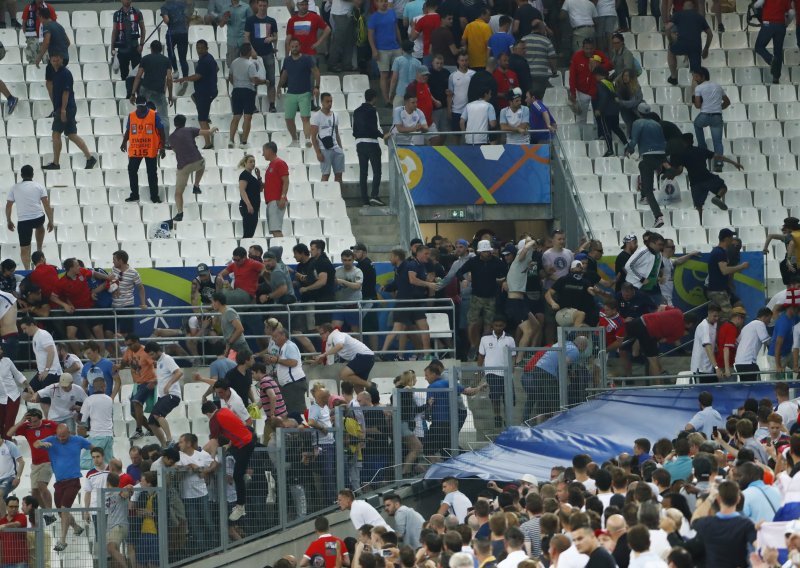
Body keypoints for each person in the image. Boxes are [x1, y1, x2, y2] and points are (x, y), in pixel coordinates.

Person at [34, 424, 91, 552]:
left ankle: (62, 541)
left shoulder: (78, 440)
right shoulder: (52, 440)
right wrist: (42, 444)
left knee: (64, 509)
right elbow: (36, 443)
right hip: (59, 482)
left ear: (69, 432)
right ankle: (76, 527)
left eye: (64, 436)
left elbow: (93, 447)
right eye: (59, 436)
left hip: (73, 480)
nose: (61, 439)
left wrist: (96, 457)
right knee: (60, 512)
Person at [41, 53, 97, 171]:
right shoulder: (55, 73)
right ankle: (90, 158)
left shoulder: (65, 73)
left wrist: (62, 110)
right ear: (50, 60)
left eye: (57, 59)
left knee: (56, 134)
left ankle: (56, 163)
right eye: (53, 59)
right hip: (67, 108)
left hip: (66, 108)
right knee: (71, 135)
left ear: (61, 59)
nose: (55, 62)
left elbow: (66, 92)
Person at [201, 400, 255, 522]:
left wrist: (212, 458)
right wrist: (230, 445)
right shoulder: (225, 410)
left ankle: (240, 506)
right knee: (236, 464)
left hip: (244, 444)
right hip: (248, 440)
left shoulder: (214, 419)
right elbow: (237, 427)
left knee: (237, 475)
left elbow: (214, 441)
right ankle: (244, 475)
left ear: (208, 413)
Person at [686, 481, 756, 566]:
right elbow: (758, 545)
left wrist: (711, 497)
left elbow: (694, 519)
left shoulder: (707, 523)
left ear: (718, 499)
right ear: (738, 499)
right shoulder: (746, 524)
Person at [625, 103, 666, 228]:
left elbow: (634, 140)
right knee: (643, 166)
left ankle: (658, 216)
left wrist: (629, 149)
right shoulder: (657, 124)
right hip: (661, 155)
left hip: (648, 154)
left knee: (648, 188)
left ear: (638, 112)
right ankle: (643, 196)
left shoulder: (638, 123)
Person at [8, 409, 57, 514]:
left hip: (48, 461)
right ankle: (47, 514)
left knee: (41, 485)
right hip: (35, 463)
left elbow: (63, 435)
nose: (33, 424)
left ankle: (49, 511)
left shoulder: (50, 424)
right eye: (30, 421)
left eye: (35, 421)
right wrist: (22, 421)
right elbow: (9, 433)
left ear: (41, 418)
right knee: (34, 491)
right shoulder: (26, 426)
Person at [168, 115, 217, 221]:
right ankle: (196, 185)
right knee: (203, 163)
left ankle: (180, 213)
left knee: (178, 192)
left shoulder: (171, 137)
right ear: (184, 122)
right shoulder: (190, 130)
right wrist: (213, 128)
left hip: (183, 166)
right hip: (196, 161)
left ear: (175, 124)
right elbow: (208, 132)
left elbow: (174, 149)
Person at [5, 164, 54, 270]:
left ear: (21, 175)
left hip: (24, 221)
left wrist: (9, 220)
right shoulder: (39, 186)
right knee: (40, 226)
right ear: (32, 174)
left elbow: (8, 206)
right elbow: (46, 205)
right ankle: (39, 249)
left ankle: (27, 269)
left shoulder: (14, 187)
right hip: (38, 218)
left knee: (24, 248)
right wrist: (51, 221)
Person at [121, 96, 167, 204]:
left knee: (151, 173)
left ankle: (154, 196)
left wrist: (162, 147)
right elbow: (129, 130)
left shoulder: (154, 115)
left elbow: (161, 131)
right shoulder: (131, 116)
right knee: (132, 170)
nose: (140, 109)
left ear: (145, 105)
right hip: (136, 148)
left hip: (150, 148)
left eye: (142, 106)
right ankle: (134, 194)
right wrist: (124, 142)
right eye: (138, 107)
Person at [175, 40, 219, 149]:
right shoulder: (209, 58)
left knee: (201, 120)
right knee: (193, 96)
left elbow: (197, 76)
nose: (199, 50)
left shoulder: (204, 61)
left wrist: (184, 79)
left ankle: (208, 143)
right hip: (208, 91)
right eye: (198, 48)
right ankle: (206, 116)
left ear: (206, 48)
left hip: (205, 92)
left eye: (201, 48)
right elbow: (217, 68)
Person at [278, 38, 320, 146]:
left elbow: (316, 72)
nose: (294, 48)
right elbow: (284, 75)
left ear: (300, 47)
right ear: (289, 48)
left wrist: (317, 86)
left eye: (296, 46)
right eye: (292, 47)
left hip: (305, 93)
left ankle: (307, 139)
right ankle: (294, 140)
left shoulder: (307, 59)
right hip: (291, 93)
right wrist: (279, 86)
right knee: (288, 118)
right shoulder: (287, 60)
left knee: (305, 117)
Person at [19, 317, 63, 418]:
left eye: (25, 328)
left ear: (32, 324)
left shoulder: (43, 335)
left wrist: (46, 370)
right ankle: (52, 404)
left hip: (51, 372)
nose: (24, 331)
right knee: (26, 394)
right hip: (42, 372)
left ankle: (49, 422)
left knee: (44, 403)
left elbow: (51, 352)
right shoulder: (35, 337)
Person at [478, 316, 516, 427]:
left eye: (501, 325)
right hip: (491, 372)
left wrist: (512, 367)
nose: (498, 327)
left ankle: (507, 418)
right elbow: (481, 355)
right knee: (495, 396)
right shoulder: (485, 339)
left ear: (504, 326)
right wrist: (479, 371)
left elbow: (513, 356)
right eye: (496, 325)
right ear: (492, 326)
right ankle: (497, 416)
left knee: (508, 398)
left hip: (506, 373)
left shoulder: (510, 339)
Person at [143, 341, 183, 448]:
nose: (151, 357)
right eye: (149, 355)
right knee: (151, 422)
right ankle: (164, 445)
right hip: (163, 397)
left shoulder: (167, 359)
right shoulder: (159, 362)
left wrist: (168, 385)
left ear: (158, 351)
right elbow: (165, 377)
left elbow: (179, 372)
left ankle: (170, 440)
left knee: (157, 414)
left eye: (152, 354)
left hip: (172, 395)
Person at [228, 43, 266, 149]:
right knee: (247, 117)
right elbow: (254, 80)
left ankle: (231, 140)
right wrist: (264, 81)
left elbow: (230, 77)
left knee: (236, 116)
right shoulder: (250, 64)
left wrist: (236, 84)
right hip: (248, 91)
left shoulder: (234, 62)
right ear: (249, 52)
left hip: (236, 90)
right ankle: (243, 142)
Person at [692, 67, 730, 173]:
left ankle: (702, 148)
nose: (695, 78)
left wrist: (695, 101)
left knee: (697, 124)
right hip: (717, 116)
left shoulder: (699, 88)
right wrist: (718, 108)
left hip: (704, 115)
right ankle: (718, 164)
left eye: (696, 76)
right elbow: (727, 102)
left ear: (703, 76)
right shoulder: (718, 86)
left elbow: (698, 105)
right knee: (717, 142)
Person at [666, 0, 712, 86]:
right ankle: (695, 96)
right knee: (696, 74)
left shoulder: (677, 15)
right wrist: (706, 49)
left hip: (681, 44)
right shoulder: (699, 17)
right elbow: (710, 34)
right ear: (694, 7)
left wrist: (670, 40)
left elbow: (667, 28)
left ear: (683, 7)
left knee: (670, 49)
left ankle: (673, 76)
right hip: (695, 46)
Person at [353, 89, 386, 207]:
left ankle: (365, 200)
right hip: (371, 143)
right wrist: (382, 136)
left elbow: (354, 129)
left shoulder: (356, 111)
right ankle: (374, 196)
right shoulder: (372, 110)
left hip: (359, 143)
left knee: (363, 172)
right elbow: (372, 127)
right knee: (377, 171)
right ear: (374, 98)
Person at [315, 323, 375, 388]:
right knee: (358, 386)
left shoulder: (336, 335)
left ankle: (370, 385)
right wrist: (317, 360)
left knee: (344, 375)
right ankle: (372, 391)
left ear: (328, 332)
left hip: (364, 356)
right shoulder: (334, 339)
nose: (320, 336)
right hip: (367, 357)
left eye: (322, 333)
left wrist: (323, 354)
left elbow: (340, 346)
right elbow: (333, 354)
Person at [707, 229, 749, 320]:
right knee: (728, 316)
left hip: (722, 290)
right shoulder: (719, 252)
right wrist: (741, 266)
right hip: (717, 291)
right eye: (731, 238)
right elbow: (725, 271)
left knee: (738, 309)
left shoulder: (720, 252)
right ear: (726, 239)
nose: (732, 240)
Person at [244, 0, 278, 112]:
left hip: (268, 54)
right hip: (255, 56)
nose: (262, 7)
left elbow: (276, 37)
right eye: (260, 5)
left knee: (271, 80)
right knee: (253, 81)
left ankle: (272, 105)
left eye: (264, 5)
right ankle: (252, 105)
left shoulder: (272, 21)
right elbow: (246, 37)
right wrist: (252, 50)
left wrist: (271, 39)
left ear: (267, 6)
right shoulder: (250, 20)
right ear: (257, 6)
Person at [568, 39, 612, 125]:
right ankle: (580, 138)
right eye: (587, 48)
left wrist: (599, 65)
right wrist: (573, 93)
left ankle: (599, 137)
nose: (589, 51)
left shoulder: (599, 54)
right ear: (583, 48)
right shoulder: (577, 56)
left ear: (594, 48)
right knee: (581, 117)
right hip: (582, 91)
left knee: (597, 116)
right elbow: (572, 76)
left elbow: (610, 65)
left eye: (591, 48)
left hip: (596, 91)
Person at [131, 40, 173, 126]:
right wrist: (170, 95)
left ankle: (143, 135)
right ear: (161, 49)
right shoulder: (166, 61)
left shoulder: (145, 58)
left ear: (151, 49)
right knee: (163, 117)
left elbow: (138, 76)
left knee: (142, 115)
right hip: (159, 90)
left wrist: (132, 94)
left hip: (145, 89)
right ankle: (165, 138)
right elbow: (169, 78)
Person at [369, 0, 402, 104]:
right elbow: (370, 35)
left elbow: (396, 28)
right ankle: (387, 99)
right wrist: (374, 50)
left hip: (395, 47)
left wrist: (400, 43)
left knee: (398, 71)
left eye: (385, 1)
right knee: (384, 74)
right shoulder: (373, 17)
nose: (384, 3)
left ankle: (393, 94)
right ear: (376, 3)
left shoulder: (392, 12)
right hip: (382, 49)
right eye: (381, 1)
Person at [268, 327, 307, 413]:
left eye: (275, 336)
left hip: (294, 384)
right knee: (291, 412)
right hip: (290, 385)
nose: (273, 340)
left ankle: (301, 426)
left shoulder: (290, 346)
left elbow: (293, 362)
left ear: (283, 335)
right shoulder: (283, 347)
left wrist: (277, 360)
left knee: (296, 412)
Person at [110, 0, 146, 93]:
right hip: (122, 49)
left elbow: (142, 29)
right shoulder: (117, 14)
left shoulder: (137, 12)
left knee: (138, 74)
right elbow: (115, 31)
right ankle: (127, 95)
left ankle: (138, 95)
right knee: (124, 75)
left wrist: (141, 44)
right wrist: (112, 47)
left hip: (135, 48)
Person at [754, 0, 791, 84]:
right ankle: (776, 78)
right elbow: (791, 13)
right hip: (781, 26)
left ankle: (771, 59)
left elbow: (757, 5)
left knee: (759, 47)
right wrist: (787, 23)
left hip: (768, 24)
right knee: (778, 51)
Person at [311, 92, 345, 184]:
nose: (329, 103)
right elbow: (313, 137)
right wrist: (318, 152)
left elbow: (336, 133)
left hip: (336, 147)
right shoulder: (317, 116)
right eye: (327, 101)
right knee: (326, 174)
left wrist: (340, 147)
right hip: (324, 148)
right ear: (322, 102)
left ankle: (338, 195)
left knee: (339, 175)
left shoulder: (335, 115)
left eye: (331, 101)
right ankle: (324, 194)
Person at [690, 303, 721, 383]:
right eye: (714, 316)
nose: (716, 318)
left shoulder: (715, 323)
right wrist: (717, 367)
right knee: (702, 393)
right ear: (709, 313)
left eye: (718, 316)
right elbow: (708, 348)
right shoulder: (704, 327)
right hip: (700, 368)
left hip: (709, 367)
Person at [715, 305, 746, 379]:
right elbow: (726, 348)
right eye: (743, 319)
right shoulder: (732, 328)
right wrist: (727, 369)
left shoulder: (724, 326)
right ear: (738, 318)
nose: (743, 322)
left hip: (721, 364)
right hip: (726, 366)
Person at [237, 154, 262, 239]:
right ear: (245, 163)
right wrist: (248, 204)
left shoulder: (252, 177)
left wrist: (259, 176)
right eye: (250, 161)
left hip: (254, 207)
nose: (253, 163)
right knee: (248, 232)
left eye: (254, 161)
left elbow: (260, 189)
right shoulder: (244, 175)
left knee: (250, 233)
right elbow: (242, 190)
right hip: (248, 207)